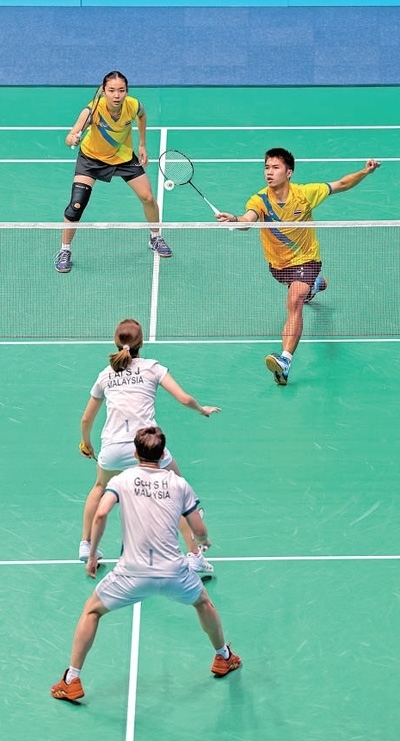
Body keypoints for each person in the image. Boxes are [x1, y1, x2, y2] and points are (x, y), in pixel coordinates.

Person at [51, 426, 241, 700]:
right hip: (174, 572)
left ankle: (72, 680)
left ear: (134, 453)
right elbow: (198, 529)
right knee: (203, 603)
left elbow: (101, 514)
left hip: (131, 574)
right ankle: (223, 657)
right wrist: (203, 540)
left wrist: (92, 555)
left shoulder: (122, 480)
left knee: (92, 611)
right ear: (163, 454)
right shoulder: (179, 484)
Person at [216, 148, 381, 385]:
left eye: (275, 168)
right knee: (300, 291)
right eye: (266, 167)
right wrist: (234, 220)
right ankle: (314, 286)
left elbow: (342, 184)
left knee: (294, 301)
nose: (269, 172)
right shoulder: (260, 200)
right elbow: (247, 220)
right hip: (279, 265)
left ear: (289, 172)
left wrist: (365, 171)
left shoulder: (304, 194)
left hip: (307, 260)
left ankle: (285, 360)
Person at [78, 318, 220, 576]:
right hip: (147, 445)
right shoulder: (152, 367)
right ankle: (194, 556)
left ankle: (86, 546)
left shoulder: (105, 375)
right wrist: (202, 409)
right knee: (178, 494)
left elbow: (86, 419)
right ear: (141, 343)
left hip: (112, 448)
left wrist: (86, 443)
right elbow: (183, 398)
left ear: (116, 342)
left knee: (99, 487)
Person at [54, 70, 171, 273]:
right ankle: (65, 250)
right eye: (111, 90)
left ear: (126, 91)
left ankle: (155, 237)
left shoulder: (133, 105)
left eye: (121, 90)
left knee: (147, 197)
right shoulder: (92, 110)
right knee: (76, 205)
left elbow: (142, 115)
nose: (116, 95)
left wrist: (142, 144)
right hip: (91, 159)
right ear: (103, 91)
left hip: (123, 157)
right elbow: (70, 136)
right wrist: (72, 138)